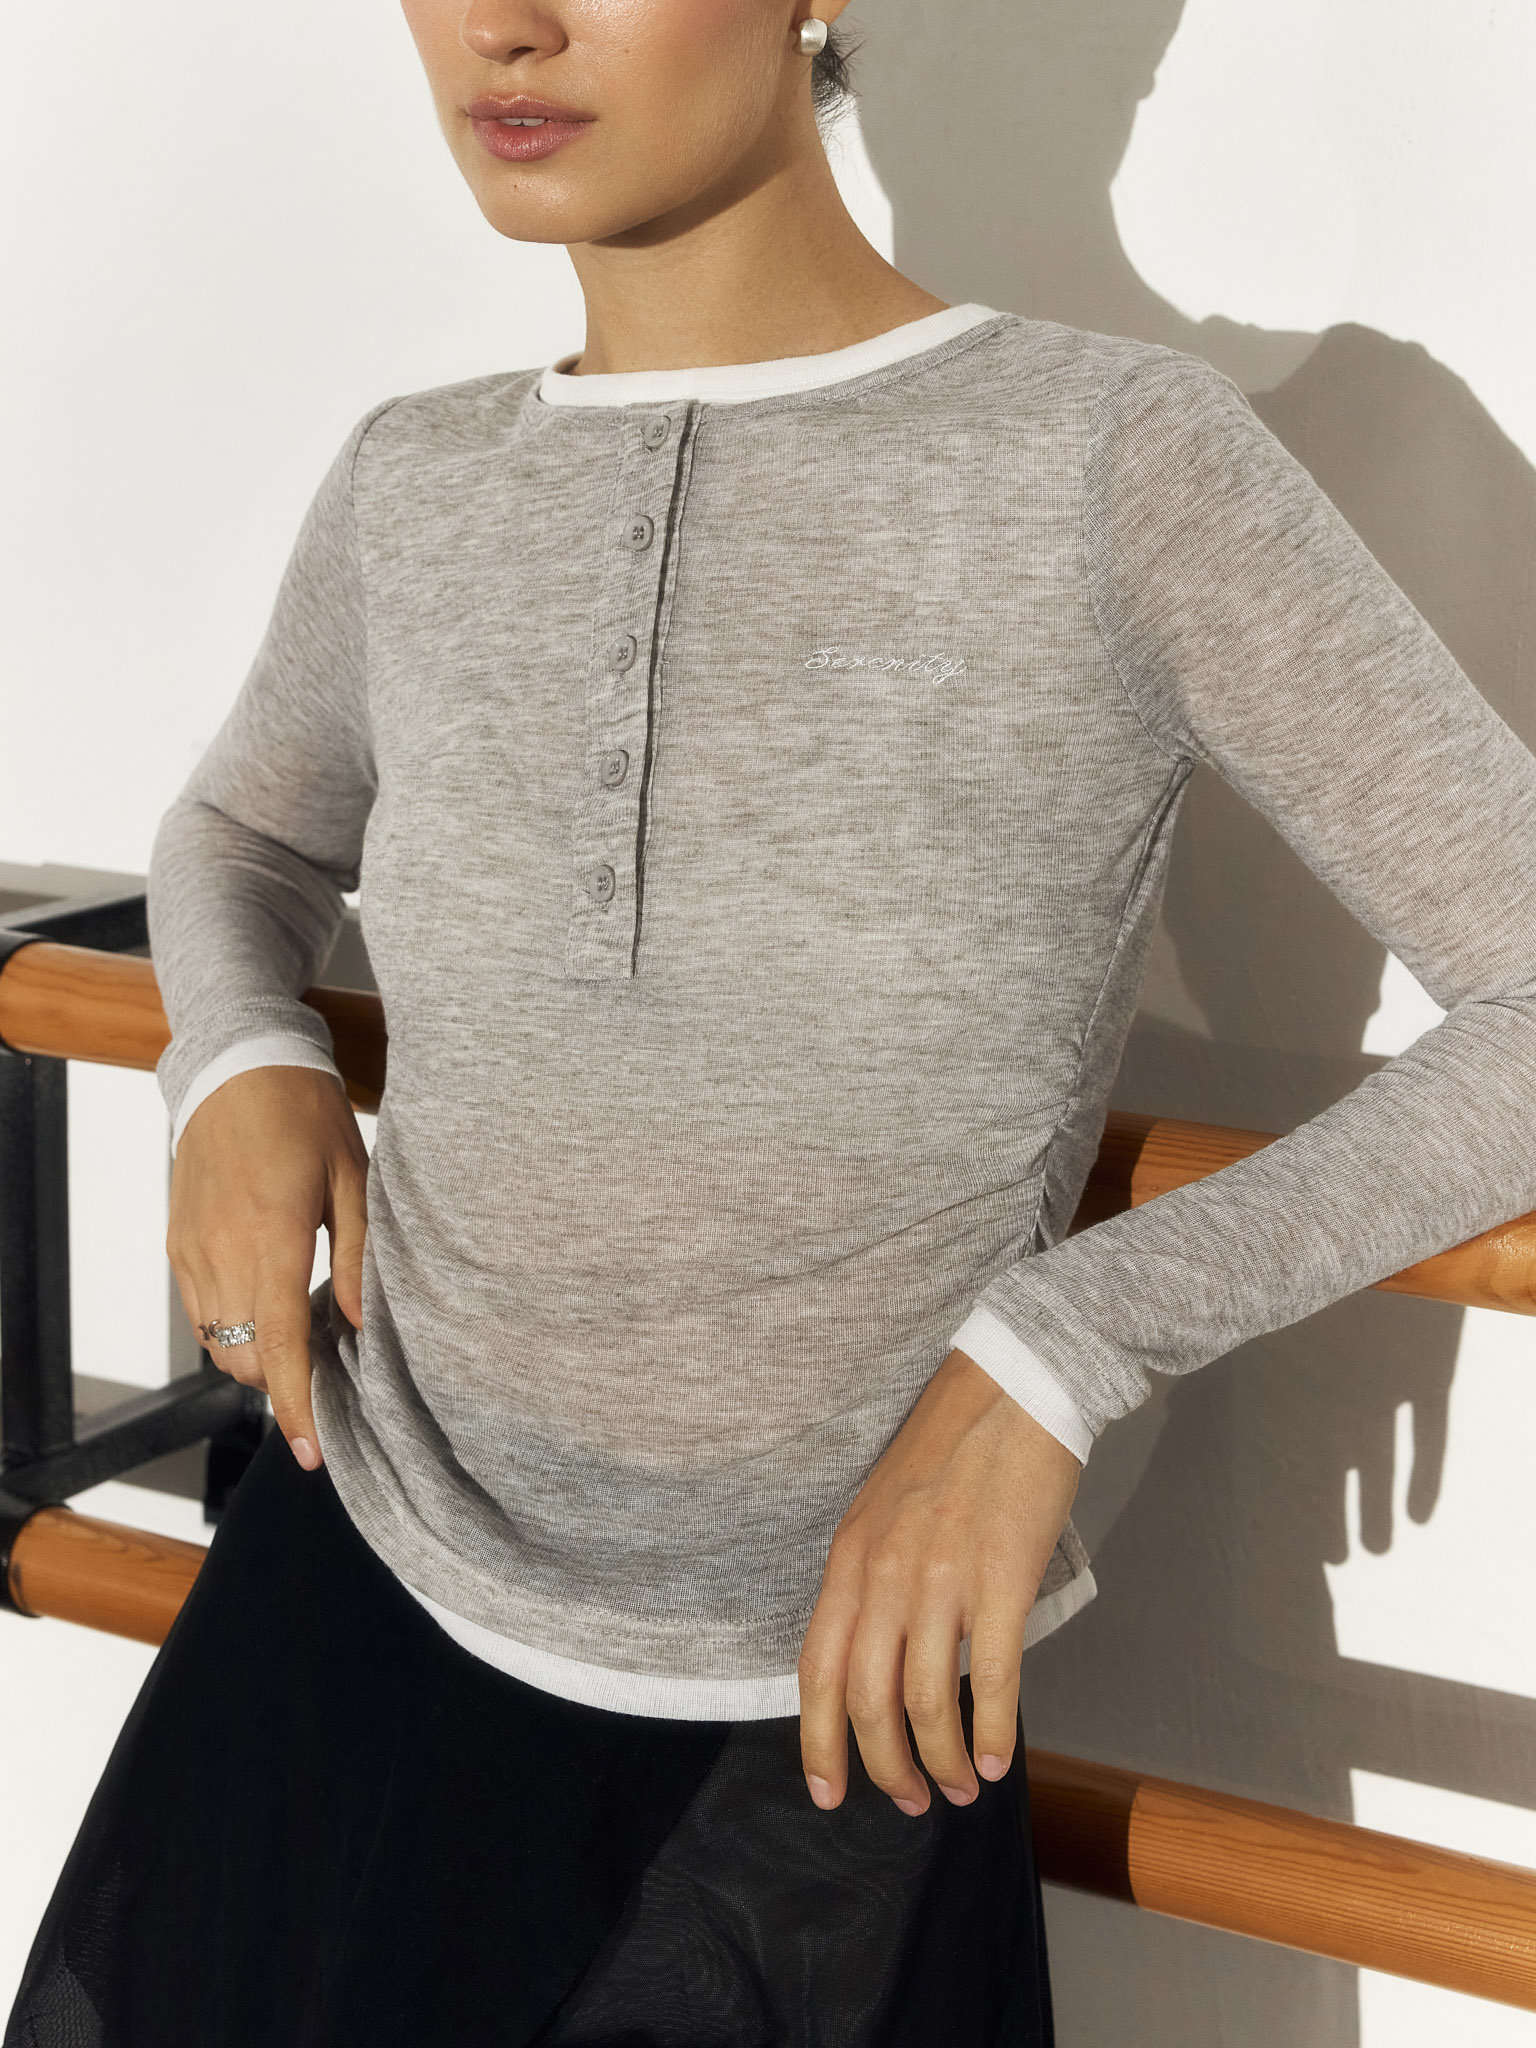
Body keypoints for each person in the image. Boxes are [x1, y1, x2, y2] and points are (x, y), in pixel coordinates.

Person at [9, 3, 1536, 2043]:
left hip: (818, 1715)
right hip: (338, 1589)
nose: (504, 23)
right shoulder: (414, 480)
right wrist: (239, 1053)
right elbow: (243, 830)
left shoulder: (1112, 458)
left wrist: (1064, 1347)